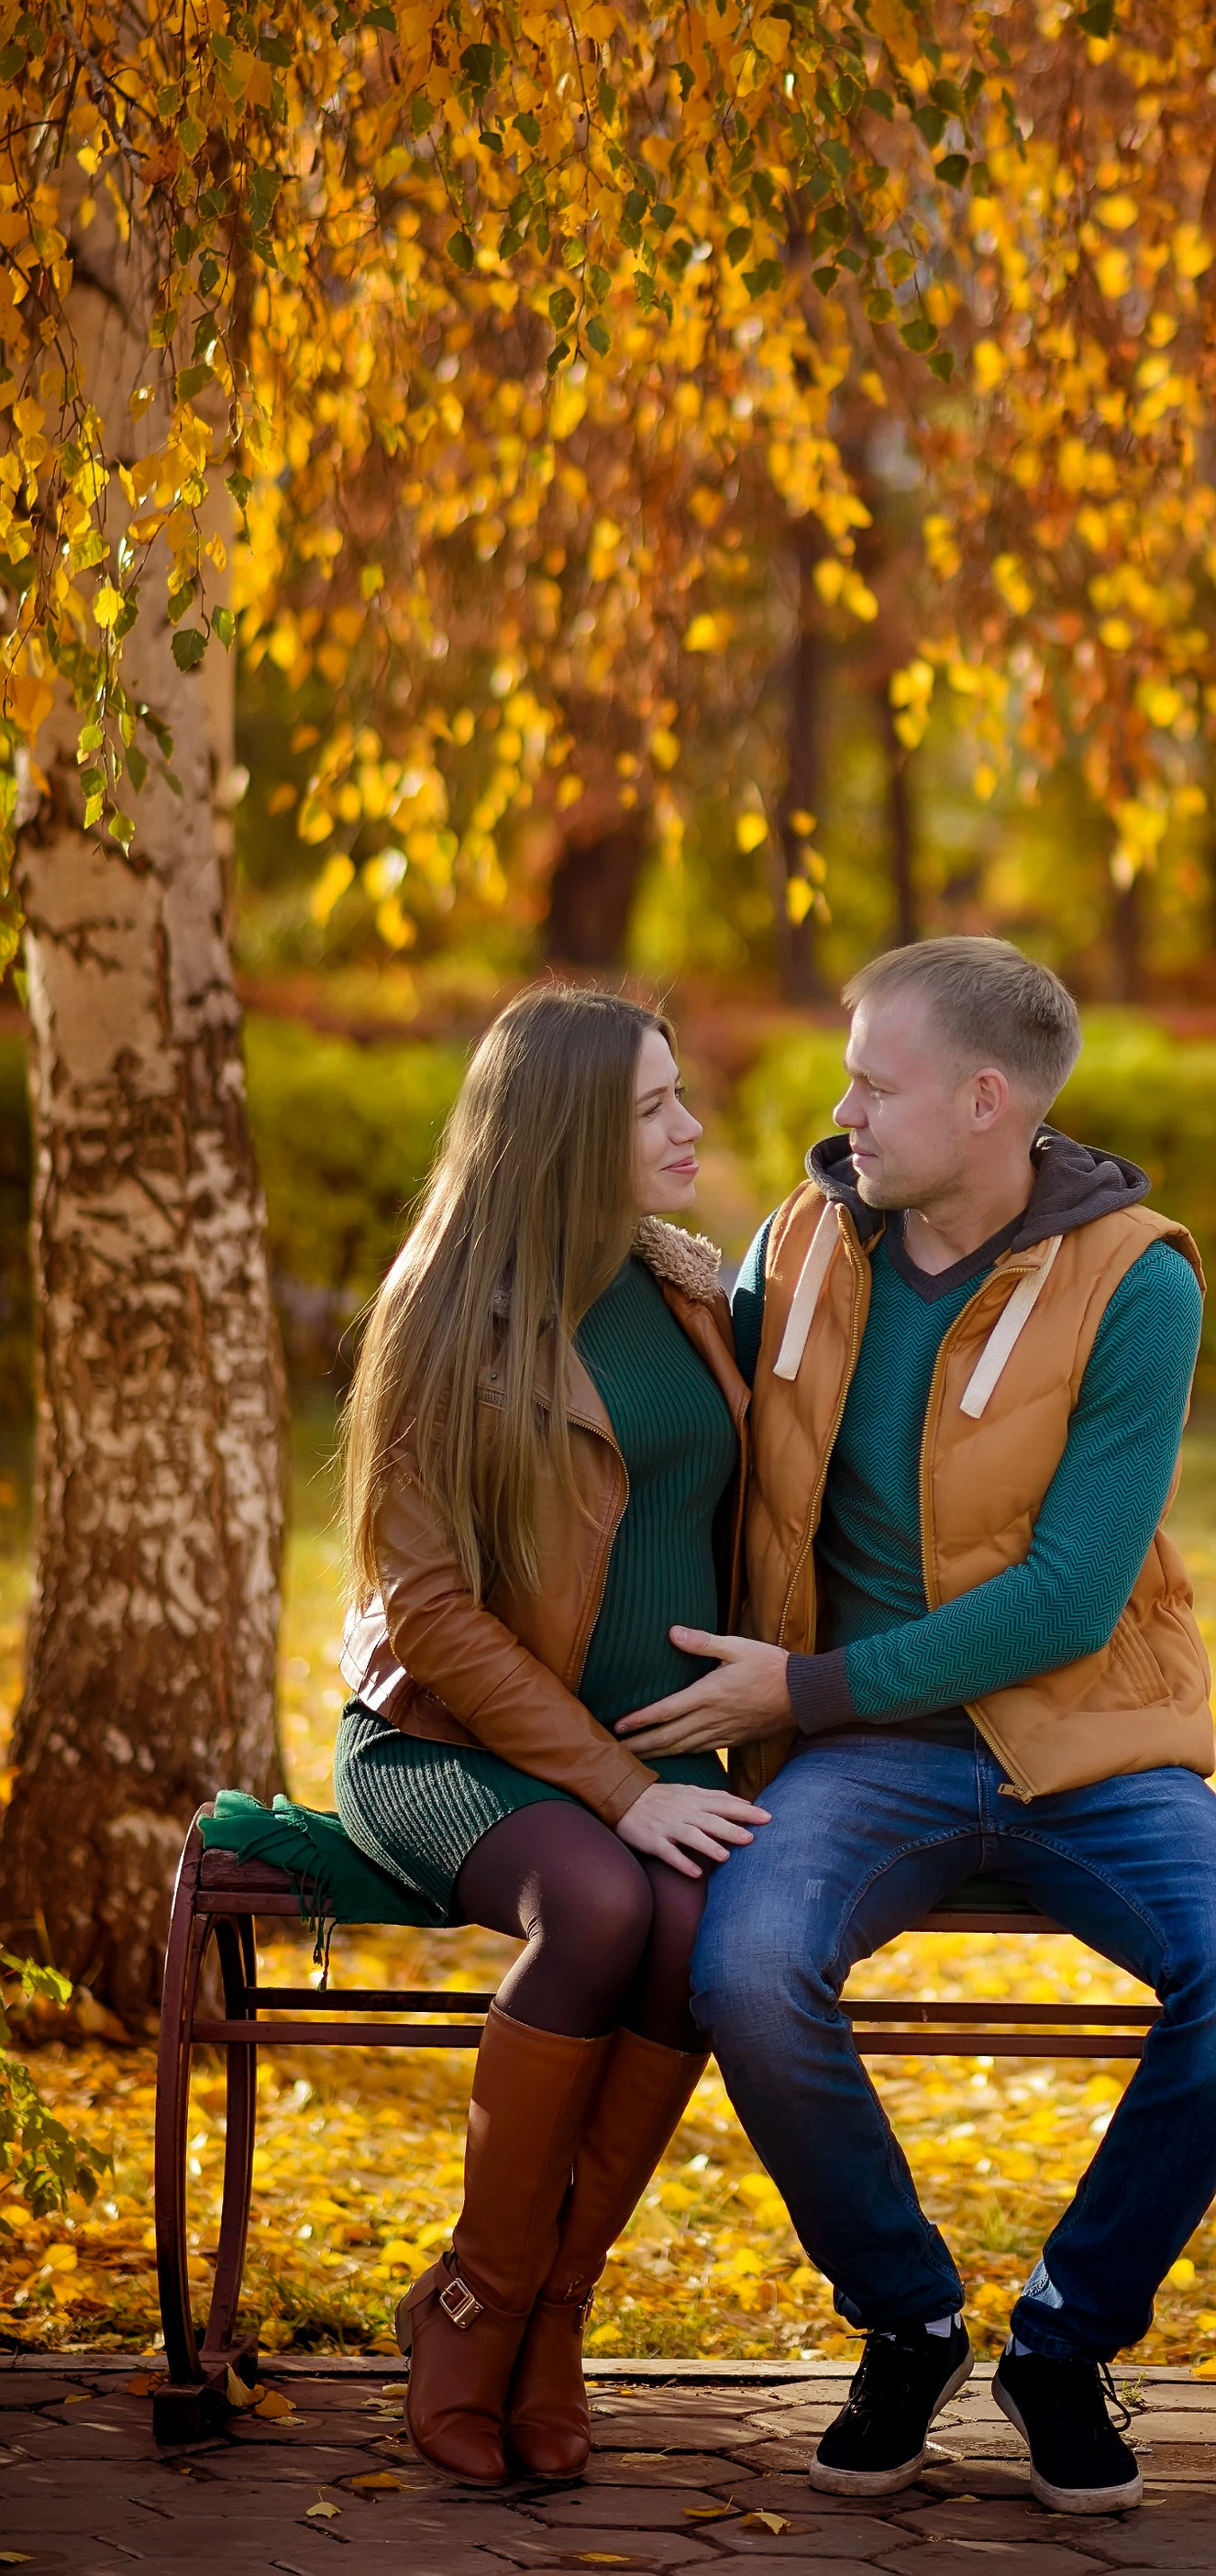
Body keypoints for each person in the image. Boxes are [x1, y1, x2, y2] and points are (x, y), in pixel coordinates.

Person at [614, 936, 1216, 2518]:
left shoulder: (1139, 1279)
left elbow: (1071, 1597)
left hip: (1080, 1739)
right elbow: (684, 1415)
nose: (843, 1103)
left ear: (986, 1100)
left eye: (879, 1077)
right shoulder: (804, 1239)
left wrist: (796, 1690)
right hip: (868, 1757)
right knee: (744, 1965)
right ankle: (909, 2318)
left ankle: (1065, 2344)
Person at [335, 986, 769, 2482]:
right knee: (596, 1901)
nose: (688, 1128)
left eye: (680, 1097)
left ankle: (557, 2313)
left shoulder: (689, 1288)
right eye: (652, 1107)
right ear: (568, 1133)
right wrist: (615, 1787)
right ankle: (478, 2303)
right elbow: (431, 1612)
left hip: (654, 1761)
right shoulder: (449, 1310)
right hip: (451, 1743)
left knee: (699, 1919)